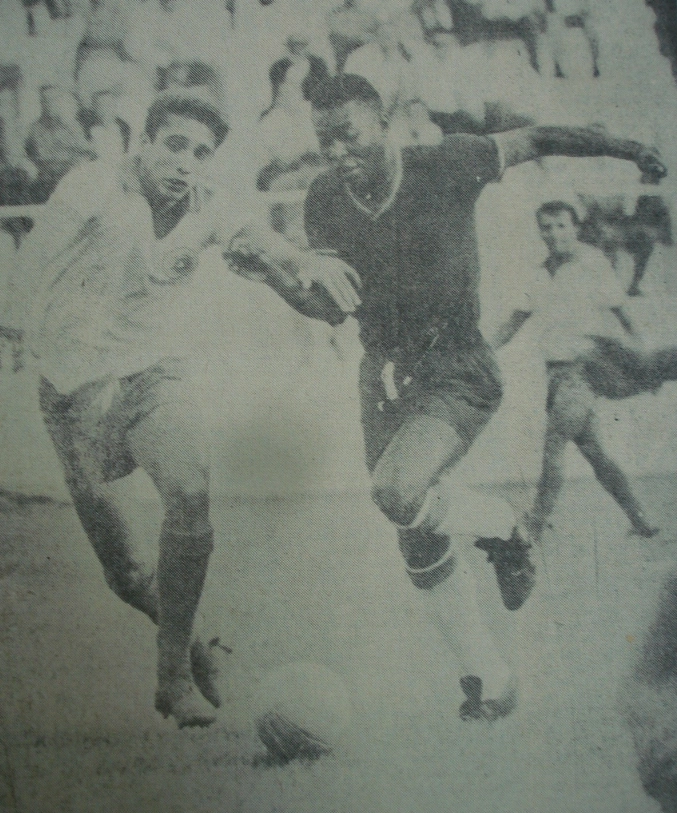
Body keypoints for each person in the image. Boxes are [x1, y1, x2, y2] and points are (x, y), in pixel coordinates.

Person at [287, 74, 665, 722]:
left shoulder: (448, 162)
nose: (338, 150)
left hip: (457, 365)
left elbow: (539, 136)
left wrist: (626, 148)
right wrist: (279, 277)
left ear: (383, 121)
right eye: (325, 140)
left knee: (397, 492)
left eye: (347, 133)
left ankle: (502, 526)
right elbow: (326, 306)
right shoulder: (324, 198)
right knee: (412, 528)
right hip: (381, 373)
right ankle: (487, 679)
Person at [12, 92, 361, 729]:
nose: (186, 161)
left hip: (151, 376)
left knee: (191, 493)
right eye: (174, 144)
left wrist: (300, 260)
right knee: (126, 575)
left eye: (201, 151)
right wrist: (11, 323)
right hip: (74, 394)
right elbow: (40, 252)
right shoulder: (94, 182)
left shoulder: (209, 199)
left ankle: (172, 677)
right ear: (142, 142)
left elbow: (256, 240)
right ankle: (198, 643)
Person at [492, 201, 659, 543]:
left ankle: (535, 524)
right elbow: (514, 322)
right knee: (595, 452)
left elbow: (622, 313)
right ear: (539, 230)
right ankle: (639, 519)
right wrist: (481, 351)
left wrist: (645, 359)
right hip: (554, 376)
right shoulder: (540, 272)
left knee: (553, 444)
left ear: (576, 228)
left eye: (561, 226)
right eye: (547, 227)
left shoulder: (592, 263)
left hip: (584, 371)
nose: (554, 234)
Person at [25, 86, 96, 202]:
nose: (50, 104)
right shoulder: (34, 129)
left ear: (60, 101)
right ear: (41, 103)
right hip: (48, 180)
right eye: (45, 100)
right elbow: (38, 157)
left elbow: (88, 153)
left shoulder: (73, 126)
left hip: (73, 178)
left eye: (54, 99)